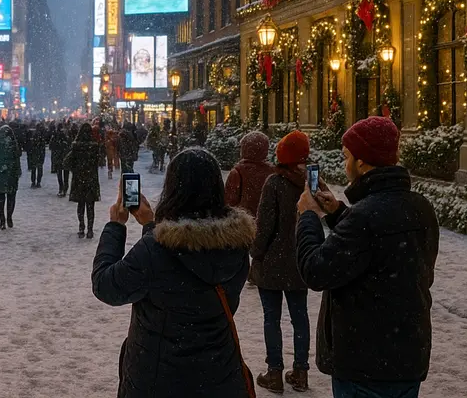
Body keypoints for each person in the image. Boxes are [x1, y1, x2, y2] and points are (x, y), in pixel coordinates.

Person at [91, 148, 257, 398]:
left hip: (159, 379)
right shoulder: (235, 245)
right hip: (218, 375)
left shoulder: (156, 250)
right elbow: (186, 261)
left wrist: (116, 226)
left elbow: (106, 286)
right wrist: (151, 225)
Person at [296, 117, 440, 398]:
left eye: (347, 156)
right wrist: (338, 212)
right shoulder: (420, 207)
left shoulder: (365, 217)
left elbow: (314, 270)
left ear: (361, 162)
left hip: (365, 361)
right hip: (408, 353)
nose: (345, 163)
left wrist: (309, 216)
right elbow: (381, 244)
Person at [252, 131, 322, 394]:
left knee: (272, 318)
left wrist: (256, 253)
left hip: (272, 261)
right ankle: (301, 372)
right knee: (299, 316)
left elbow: (265, 226)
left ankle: (275, 372)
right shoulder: (310, 183)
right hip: (299, 260)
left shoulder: (274, 183)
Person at [224, 131, 272, 219]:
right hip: (266, 221)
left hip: (244, 222)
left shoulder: (238, 172)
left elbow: (229, 202)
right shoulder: (273, 172)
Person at [66, 123, 102, 238]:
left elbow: (66, 162)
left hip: (79, 178)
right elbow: (99, 161)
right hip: (91, 178)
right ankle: (90, 230)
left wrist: (75, 169)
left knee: (81, 204)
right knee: (90, 205)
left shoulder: (76, 146)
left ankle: (81, 227)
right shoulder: (94, 146)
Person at [0, 125, 22, 229]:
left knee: (0, 198)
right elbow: (17, 159)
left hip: (0, 174)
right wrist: (17, 171)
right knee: (11, 197)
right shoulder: (14, 145)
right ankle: (9, 217)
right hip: (11, 174)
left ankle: (2, 220)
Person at [50, 122, 71, 197]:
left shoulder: (55, 135)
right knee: (66, 174)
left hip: (59, 157)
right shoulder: (67, 135)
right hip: (65, 157)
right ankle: (65, 189)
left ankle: (61, 188)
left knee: (60, 174)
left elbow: (51, 146)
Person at [26, 124, 47, 188]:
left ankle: (33, 182)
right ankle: (38, 182)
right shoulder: (41, 136)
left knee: (34, 169)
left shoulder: (34, 135)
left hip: (35, 154)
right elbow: (43, 147)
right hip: (39, 154)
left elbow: (31, 146)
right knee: (39, 169)